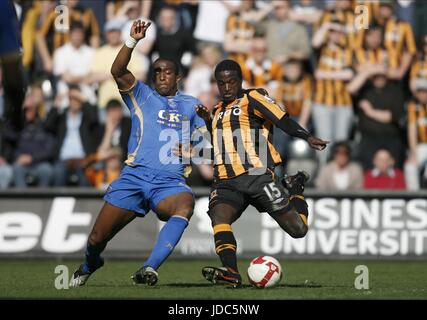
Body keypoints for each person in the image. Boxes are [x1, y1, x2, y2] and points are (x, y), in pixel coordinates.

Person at [70, 20, 206, 287]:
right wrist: (132, 41)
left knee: (185, 204)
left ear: (178, 77)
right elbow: (117, 69)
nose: (161, 76)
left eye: (167, 72)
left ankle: (149, 268)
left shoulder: (192, 105)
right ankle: (90, 263)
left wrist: (197, 149)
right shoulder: (141, 95)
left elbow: (208, 141)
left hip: (169, 182)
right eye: (157, 72)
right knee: (97, 238)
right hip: (134, 177)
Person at [195, 60, 328, 287]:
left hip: (258, 177)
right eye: (221, 83)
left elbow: (282, 119)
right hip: (226, 181)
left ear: (240, 81)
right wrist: (208, 123)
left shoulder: (253, 98)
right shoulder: (216, 110)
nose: (226, 87)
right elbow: (220, 141)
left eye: (231, 82)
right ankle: (231, 272)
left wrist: (307, 136)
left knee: (299, 230)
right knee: (219, 216)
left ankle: (295, 187)